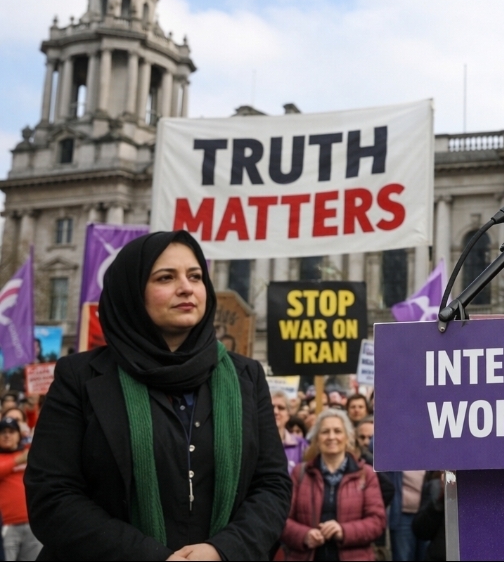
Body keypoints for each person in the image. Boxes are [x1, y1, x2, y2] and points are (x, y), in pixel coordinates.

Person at [24, 230, 292, 560]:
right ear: (132, 292)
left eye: (195, 276)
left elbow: (272, 485)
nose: (187, 287)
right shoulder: (80, 377)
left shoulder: (246, 376)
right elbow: (52, 496)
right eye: (166, 277)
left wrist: (223, 550)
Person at [281, 409, 385, 561]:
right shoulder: (300, 473)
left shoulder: (366, 474)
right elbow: (282, 519)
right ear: (317, 438)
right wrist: (303, 535)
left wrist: (344, 531)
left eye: (337, 431)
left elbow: (377, 521)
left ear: (347, 437)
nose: (331, 437)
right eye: (325, 432)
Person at [0, 417, 40, 560]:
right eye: (3, 432)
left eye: (11, 432)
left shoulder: (28, 453)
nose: (7, 435)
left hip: (32, 523)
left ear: (19, 435)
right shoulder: (14, 457)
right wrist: (17, 461)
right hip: (7, 525)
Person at [274, 391, 309, 474]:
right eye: (270, 407)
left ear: (288, 415)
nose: (275, 411)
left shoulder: (301, 445)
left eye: (281, 408)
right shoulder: (256, 443)